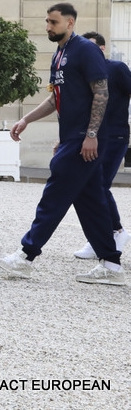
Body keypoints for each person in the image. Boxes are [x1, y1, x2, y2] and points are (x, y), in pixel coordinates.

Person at [0, 3, 125, 285]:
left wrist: (91, 136)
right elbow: (56, 98)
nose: (48, 27)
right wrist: (26, 119)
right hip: (72, 137)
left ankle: (25, 256)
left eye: (53, 22)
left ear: (70, 23)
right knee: (91, 202)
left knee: (54, 196)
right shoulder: (60, 54)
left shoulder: (86, 50)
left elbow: (101, 93)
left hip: (84, 139)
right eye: (47, 21)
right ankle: (112, 266)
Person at [72, 31, 131, 258]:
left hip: (115, 136)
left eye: (92, 48)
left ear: (102, 49)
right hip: (90, 137)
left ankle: (113, 233)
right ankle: (106, 235)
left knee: (98, 186)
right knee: (90, 186)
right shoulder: (83, 72)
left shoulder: (116, 68)